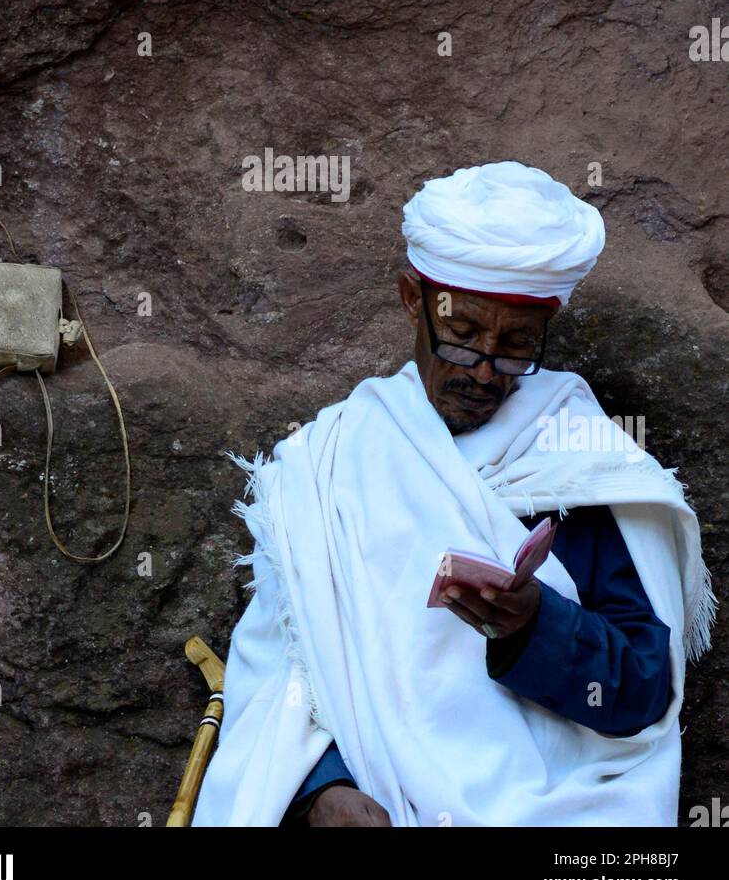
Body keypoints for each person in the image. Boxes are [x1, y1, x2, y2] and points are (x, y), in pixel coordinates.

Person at [192, 162, 716, 828]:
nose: (482, 371)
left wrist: (536, 625)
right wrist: (323, 787)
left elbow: (643, 692)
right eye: (462, 336)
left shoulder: (582, 462)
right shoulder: (328, 463)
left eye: (514, 347)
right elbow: (278, 668)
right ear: (413, 299)